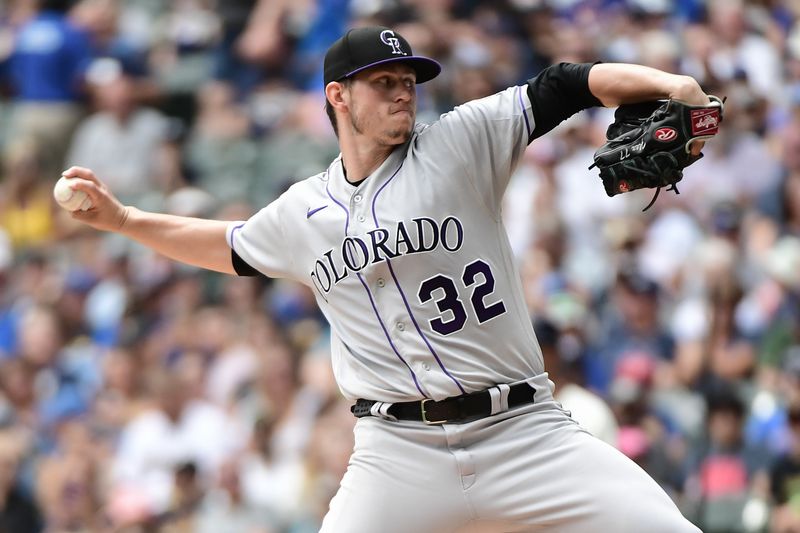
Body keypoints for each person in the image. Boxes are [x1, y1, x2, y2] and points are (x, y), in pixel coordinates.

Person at [60, 25, 709, 532]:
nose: (404, 91)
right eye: (384, 81)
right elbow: (229, 247)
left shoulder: (460, 142)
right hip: (399, 454)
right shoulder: (302, 211)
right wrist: (124, 219)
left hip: (523, 433)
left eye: (409, 79)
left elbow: (566, 83)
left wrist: (668, 82)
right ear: (338, 97)